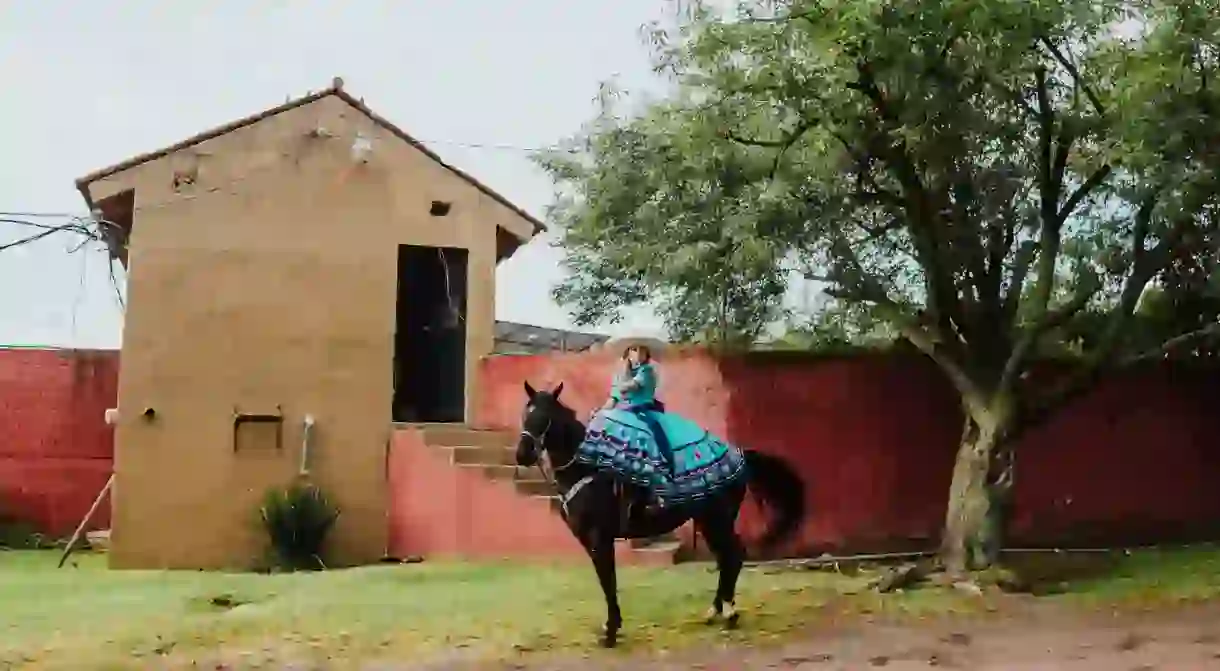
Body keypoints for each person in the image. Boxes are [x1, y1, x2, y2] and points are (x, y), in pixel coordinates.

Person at [602, 344, 674, 512]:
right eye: (635, 349)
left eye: (643, 350)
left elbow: (630, 387)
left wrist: (621, 381)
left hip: (644, 411)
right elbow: (612, 399)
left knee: (655, 441)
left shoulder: (646, 371)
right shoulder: (621, 375)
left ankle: (662, 489)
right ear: (628, 353)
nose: (639, 353)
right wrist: (600, 411)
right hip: (623, 414)